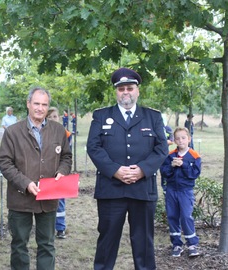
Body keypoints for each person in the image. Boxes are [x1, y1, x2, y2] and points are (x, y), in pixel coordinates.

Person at [86, 67, 168, 270]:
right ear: (116, 92)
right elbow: (93, 147)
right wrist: (115, 170)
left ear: (137, 91)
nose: (126, 92)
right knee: (107, 241)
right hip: (111, 189)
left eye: (130, 88)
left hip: (142, 189)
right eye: (121, 89)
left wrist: (141, 170)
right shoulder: (101, 116)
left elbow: (161, 149)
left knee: (144, 244)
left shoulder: (153, 117)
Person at [0, 87, 72, 270]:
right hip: (20, 198)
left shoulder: (58, 130)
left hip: (48, 198)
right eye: (36, 103)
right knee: (19, 245)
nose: (40, 108)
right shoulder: (13, 132)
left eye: (44, 104)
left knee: (47, 244)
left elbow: (66, 157)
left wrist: (62, 171)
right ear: (28, 104)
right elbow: (5, 163)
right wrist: (26, 183)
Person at [160, 127, 201, 257]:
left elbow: (194, 174)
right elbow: (164, 172)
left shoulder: (194, 156)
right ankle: (177, 244)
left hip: (185, 191)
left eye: (183, 138)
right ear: (174, 140)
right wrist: (172, 166)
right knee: (172, 216)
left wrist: (183, 165)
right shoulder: (170, 155)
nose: (180, 140)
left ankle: (192, 244)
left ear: (189, 139)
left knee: (186, 216)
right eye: (177, 138)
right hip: (172, 190)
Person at [46, 107, 73, 239]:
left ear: (60, 118)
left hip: (59, 174)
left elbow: (67, 156)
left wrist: (62, 171)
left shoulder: (66, 134)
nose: (52, 119)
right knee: (46, 201)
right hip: (45, 174)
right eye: (49, 117)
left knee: (60, 201)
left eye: (55, 116)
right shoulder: (41, 133)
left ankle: (60, 228)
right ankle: (48, 228)